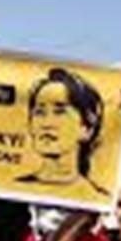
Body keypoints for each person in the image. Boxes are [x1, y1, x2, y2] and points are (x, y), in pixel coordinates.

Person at [17, 68, 109, 198]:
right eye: (39, 112)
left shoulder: (97, 199)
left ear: (86, 128)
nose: (46, 124)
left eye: (60, 112)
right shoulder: (8, 190)